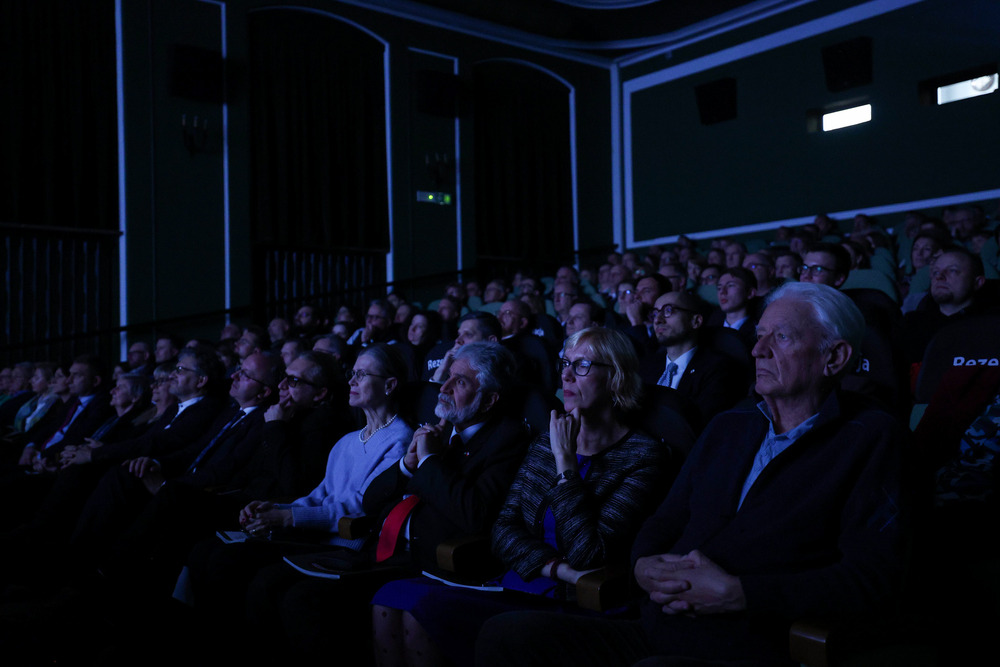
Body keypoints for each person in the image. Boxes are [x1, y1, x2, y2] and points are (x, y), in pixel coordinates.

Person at [475, 282, 909, 666]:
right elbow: (662, 523)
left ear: (834, 357)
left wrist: (743, 594)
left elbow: (873, 578)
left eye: (781, 338)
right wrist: (643, 566)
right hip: (658, 626)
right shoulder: (729, 426)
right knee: (507, 636)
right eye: (759, 336)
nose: (757, 350)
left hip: (753, 641)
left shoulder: (871, 438)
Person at [374, 328, 676, 667]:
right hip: (522, 582)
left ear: (616, 377)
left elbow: (589, 554)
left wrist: (566, 468)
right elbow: (503, 529)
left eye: (582, 366)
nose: (565, 374)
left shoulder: (642, 456)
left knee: (425, 611)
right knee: (389, 598)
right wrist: (557, 569)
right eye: (565, 363)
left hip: (581, 600)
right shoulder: (547, 442)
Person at [256, 342, 532, 663]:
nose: (442, 388)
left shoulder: (506, 439)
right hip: (390, 552)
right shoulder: (444, 433)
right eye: (448, 377)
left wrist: (429, 461)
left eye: (460, 382)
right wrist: (407, 465)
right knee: (269, 580)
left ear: (489, 399)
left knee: (303, 599)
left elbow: (474, 515)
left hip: (434, 562)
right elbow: (373, 500)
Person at [186, 344, 413, 620]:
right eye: (352, 373)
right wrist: (274, 510)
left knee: (255, 577)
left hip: (347, 546)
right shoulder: (348, 441)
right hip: (316, 536)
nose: (351, 381)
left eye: (362, 375)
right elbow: (319, 495)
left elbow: (359, 505)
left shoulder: (400, 440)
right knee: (214, 553)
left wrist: (286, 518)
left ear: (389, 385)